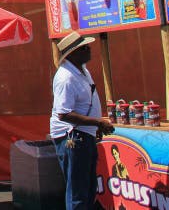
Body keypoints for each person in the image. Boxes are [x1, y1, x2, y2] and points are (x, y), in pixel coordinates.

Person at [51, 32, 114, 209]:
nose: (89, 50)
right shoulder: (66, 78)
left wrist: (95, 126)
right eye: (85, 48)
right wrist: (98, 122)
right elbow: (63, 114)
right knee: (78, 189)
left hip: (83, 134)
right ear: (72, 53)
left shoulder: (82, 71)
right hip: (72, 137)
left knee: (89, 187)